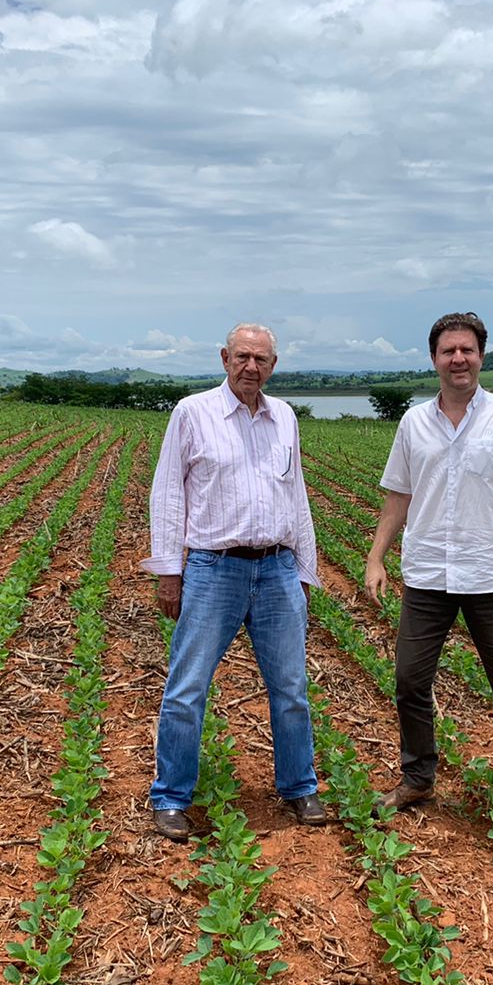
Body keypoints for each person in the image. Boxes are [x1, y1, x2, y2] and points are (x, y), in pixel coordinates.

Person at [363, 311, 493, 841]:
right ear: (434, 359)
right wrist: (375, 557)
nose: (458, 359)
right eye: (449, 350)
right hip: (428, 574)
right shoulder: (413, 423)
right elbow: (398, 496)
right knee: (410, 681)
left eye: (467, 350)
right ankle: (418, 778)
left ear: (481, 356)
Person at [140, 322, 326, 841]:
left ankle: (299, 788)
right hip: (212, 568)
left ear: (273, 365)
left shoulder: (284, 417)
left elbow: (297, 499)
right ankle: (172, 798)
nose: (251, 367)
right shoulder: (192, 413)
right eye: (242, 356)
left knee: (290, 687)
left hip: (276, 569)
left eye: (261, 359)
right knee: (187, 688)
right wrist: (168, 573)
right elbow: (167, 496)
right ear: (225, 358)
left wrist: (304, 571)